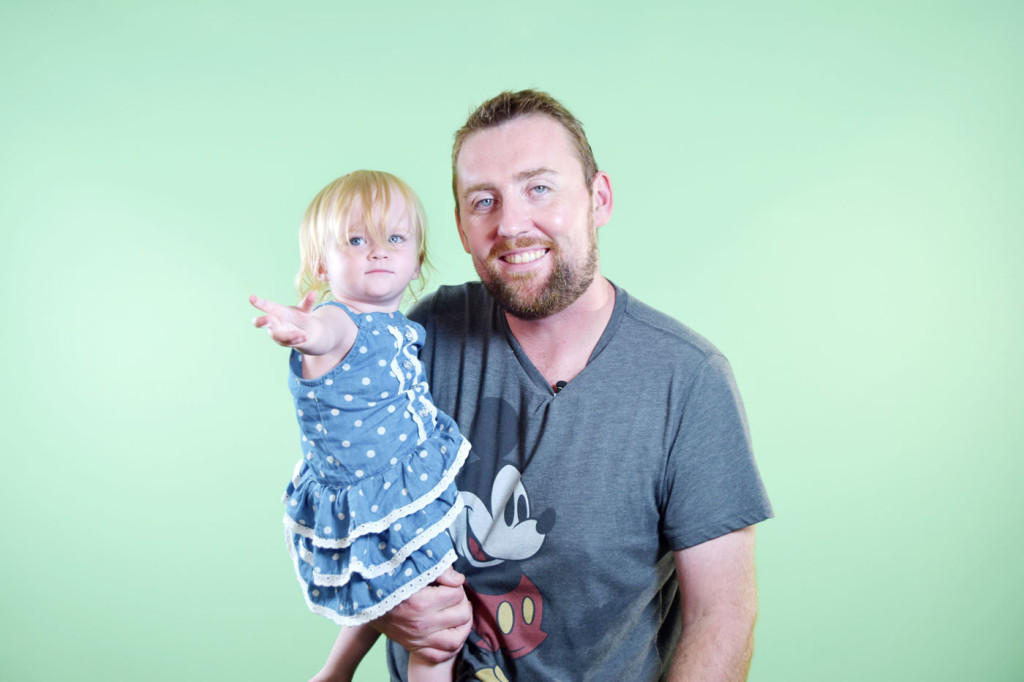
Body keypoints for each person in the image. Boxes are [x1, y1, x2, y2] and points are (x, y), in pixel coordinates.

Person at [372, 90, 775, 681]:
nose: (511, 224)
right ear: (460, 226)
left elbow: (723, 615)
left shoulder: (687, 379)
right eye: (484, 201)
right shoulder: (423, 341)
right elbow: (347, 507)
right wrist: (387, 606)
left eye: (539, 188)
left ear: (598, 198)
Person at [250, 170, 471, 682]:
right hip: (378, 496)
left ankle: (333, 673)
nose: (378, 252)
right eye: (356, 240)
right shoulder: (341, 319)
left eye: (395, 239)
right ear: (321, 264)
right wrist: (301, 329)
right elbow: (323, 334)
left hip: (391, 486)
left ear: (416, 259)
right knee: (440, 623)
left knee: (384, 589)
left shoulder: (393, 323)